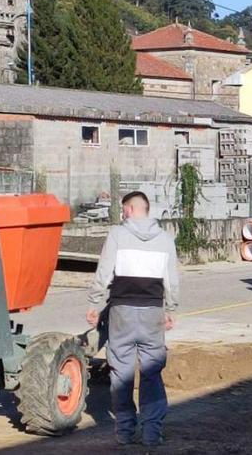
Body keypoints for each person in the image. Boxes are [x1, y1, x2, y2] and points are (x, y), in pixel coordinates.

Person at [85, 191, 180, 447]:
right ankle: (152, 434)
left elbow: (104, 272)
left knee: (121, 373)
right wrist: (170, 310)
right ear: (146, 210)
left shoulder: (117, 234)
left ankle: (125, 433)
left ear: (128, 209)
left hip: (122, 313)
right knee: (151, 373)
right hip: (152, 314)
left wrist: (94, 303)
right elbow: (171, 280)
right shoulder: (165, 239)